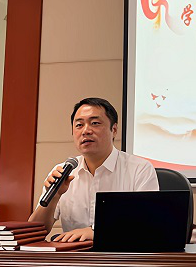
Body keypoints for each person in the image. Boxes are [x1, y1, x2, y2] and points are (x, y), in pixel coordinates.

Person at [28, 97, 159, 242]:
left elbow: (147, 226)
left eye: (95, 123)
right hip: (75, 255)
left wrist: (97, 232)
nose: (86, 131)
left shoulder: (139, 169)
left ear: (114, 129)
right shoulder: (63, 172)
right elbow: (34, 232)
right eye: (79, 125)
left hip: (121, 255)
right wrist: (55, 196)